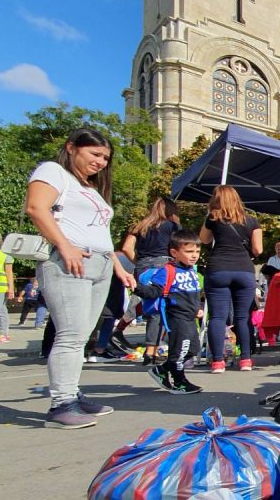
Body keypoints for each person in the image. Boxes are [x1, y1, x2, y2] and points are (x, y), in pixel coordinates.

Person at [24, 127, 134, 428]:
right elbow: (36, 208)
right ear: (72, 147)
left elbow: (99, 232)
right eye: (95, 154)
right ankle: (61, 404)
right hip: (69, 262)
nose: (100, 162)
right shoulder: (54, 171)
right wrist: (64, 245)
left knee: (81, 336)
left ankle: (71, 393)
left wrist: (117, 265)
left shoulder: (90, 187)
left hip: (99, 263)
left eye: (105, 158)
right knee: (71, 335)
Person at [199, 185, 263, 372]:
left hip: (218, 268)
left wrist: (210, 215)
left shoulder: (212, 218)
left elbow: (203, 239)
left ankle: (218, 361)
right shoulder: (251, 221)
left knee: (217, 317)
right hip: (244, 270)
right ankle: (245, 360)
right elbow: (258, 250)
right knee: (243, 317)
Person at [139, 229, 204, 395]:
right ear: (174, 252)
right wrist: (135, 287)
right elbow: (154, 292)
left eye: (197, 251)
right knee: (180, 351)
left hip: (190, 317)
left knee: (194, 349)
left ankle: (161, 370)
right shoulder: (167, 271)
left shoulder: (191, 271)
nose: (194, 255)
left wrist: (197, 308)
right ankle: (179, 382)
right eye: (189, 251)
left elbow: (193, 293)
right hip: (176, 317)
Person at [121, 197, 181, 365]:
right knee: (162, 308)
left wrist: (139, 262)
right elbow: (180, 247)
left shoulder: (140, 226)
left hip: (142, 267)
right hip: (164, 264)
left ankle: (150, 350)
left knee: (151, 308)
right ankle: (153, 351)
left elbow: (126, 248)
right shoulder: (173, 226)